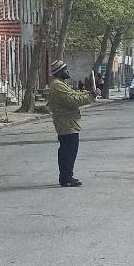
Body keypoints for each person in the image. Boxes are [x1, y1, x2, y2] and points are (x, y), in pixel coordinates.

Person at [47, 60, 96, 188]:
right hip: (66, 124)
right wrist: (90, 97)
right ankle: (66, 178)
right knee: (68, 152)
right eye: (65, 69)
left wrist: (89, 93)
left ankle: (66, 176)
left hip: (69, 123)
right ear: (59, 72)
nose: (67, 71)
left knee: (67, 151)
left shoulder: (61, 84)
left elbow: (74, 94)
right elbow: (72, 100)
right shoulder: (57, 85)